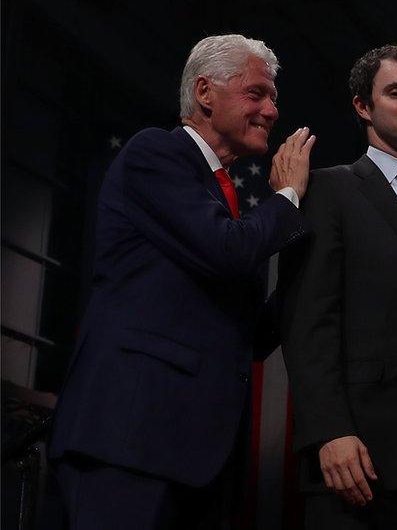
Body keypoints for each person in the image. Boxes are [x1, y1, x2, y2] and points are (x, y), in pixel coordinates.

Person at [48, 34, 314, 529]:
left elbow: (250, 336)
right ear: (206, 93)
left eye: (274, 97)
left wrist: (312, 276)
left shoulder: (227, 197)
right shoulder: (156, 154)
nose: (272, 110)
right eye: (257, 93)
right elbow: (227, 251)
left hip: (201, 459)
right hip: (130, 444)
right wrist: (289, 197)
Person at [279, 45, 397, 529]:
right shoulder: (329, 191)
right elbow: (307, 321)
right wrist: (328, 431)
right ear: (363, 106)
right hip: (360, 458)